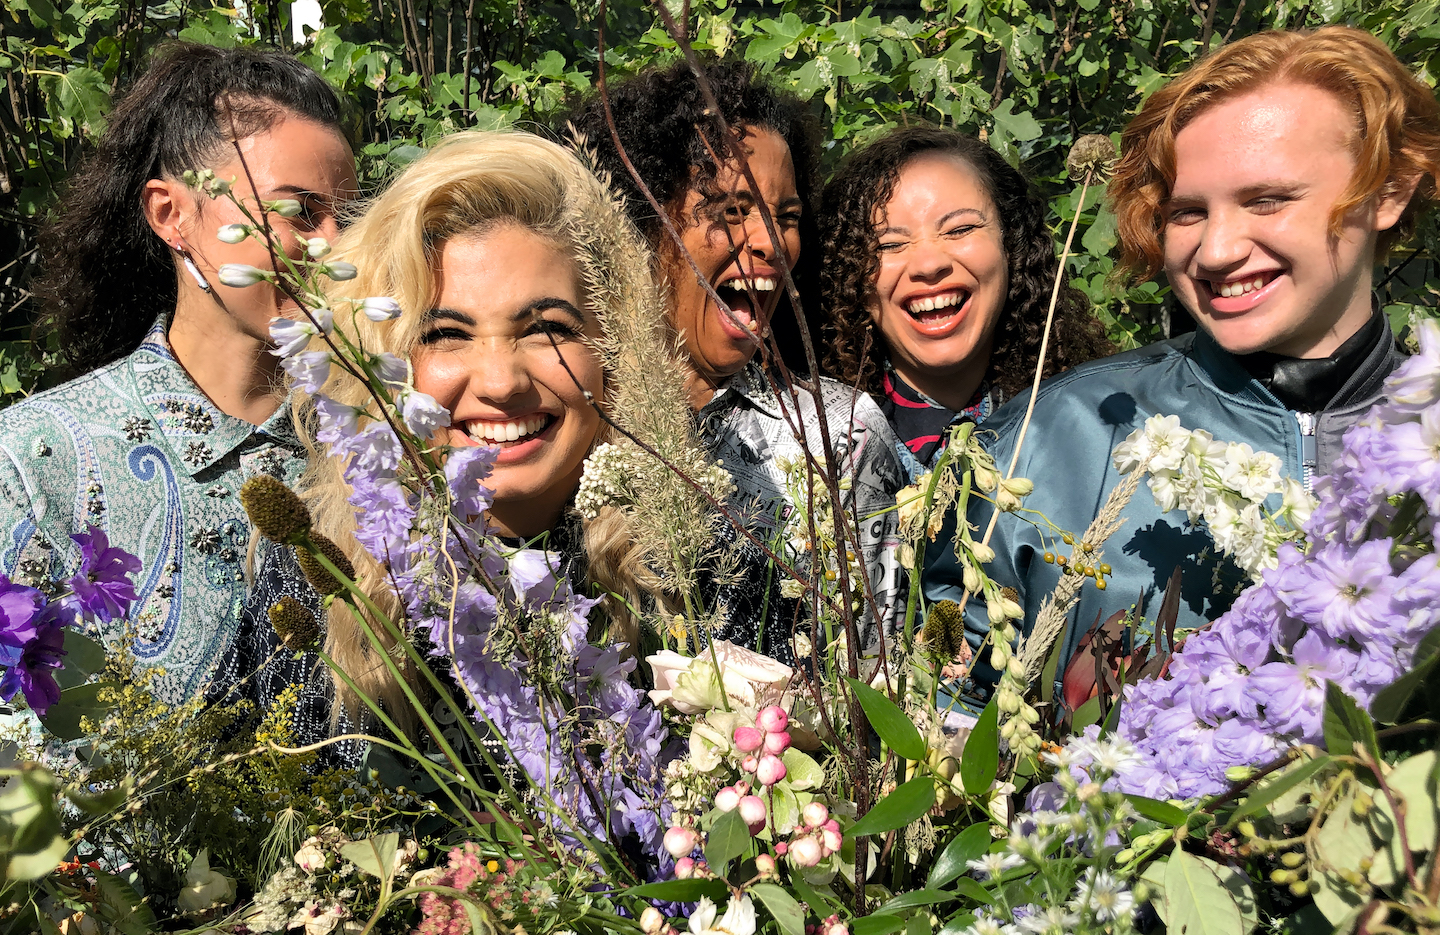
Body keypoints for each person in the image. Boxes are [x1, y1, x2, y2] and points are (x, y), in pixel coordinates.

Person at [923, 25, 1440, 705]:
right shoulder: (1040, 446)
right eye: (1188, 212)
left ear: (1390, 189)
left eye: (1268, 199)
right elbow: (942, 723)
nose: (1218, 249)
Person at [215, 130, 693, 751]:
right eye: (446, 333)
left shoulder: (693, 573)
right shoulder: (318, 579)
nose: (501, 381)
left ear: (614, 350)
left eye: (546, 327)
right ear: (383, 358)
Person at [0, 43, 355, 704]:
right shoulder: (31, 463)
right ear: (173, 215)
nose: (335, 247)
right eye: (299, 211)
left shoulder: (370, 454)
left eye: (347, 218)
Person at [568, 59, 907, 659]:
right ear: (634, 222)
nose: (772, 243)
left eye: (788, 217)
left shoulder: (838, 437)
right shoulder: (559, 416)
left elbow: (879, 682)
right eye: (729, 209)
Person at [818, 126, 1113, 481]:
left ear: (1013, 248)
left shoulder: (1097, 432)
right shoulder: (809, 452)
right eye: (889, 245)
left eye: (959, 230)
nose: (929, 264)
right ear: (849, 278)